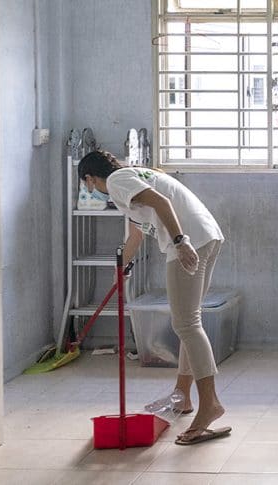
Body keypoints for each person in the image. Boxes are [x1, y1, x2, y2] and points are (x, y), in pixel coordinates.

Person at [78, 150, 231, 446]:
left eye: (88, 185)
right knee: (189, 321)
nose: (91, 190)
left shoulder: (118, 181)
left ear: (89, 178)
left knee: (186, 324)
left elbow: (163, 203)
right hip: (207, 234)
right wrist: (120, 269)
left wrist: (179, 241)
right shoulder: (133, 177)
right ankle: (183, 395)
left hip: (189, 240)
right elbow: (136, 235)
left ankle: (210, 404)